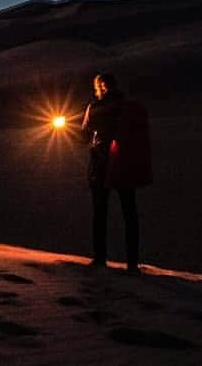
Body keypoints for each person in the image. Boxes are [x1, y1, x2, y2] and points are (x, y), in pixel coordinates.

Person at [78, 73, 152, 273]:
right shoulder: (129, 108)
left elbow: (83, 136)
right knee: (130, 213)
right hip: (125, 164)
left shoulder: (96, 108)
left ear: (100, 87)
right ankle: (132, 263)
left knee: (100, 212)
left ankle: (100, 258)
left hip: (102, 165)